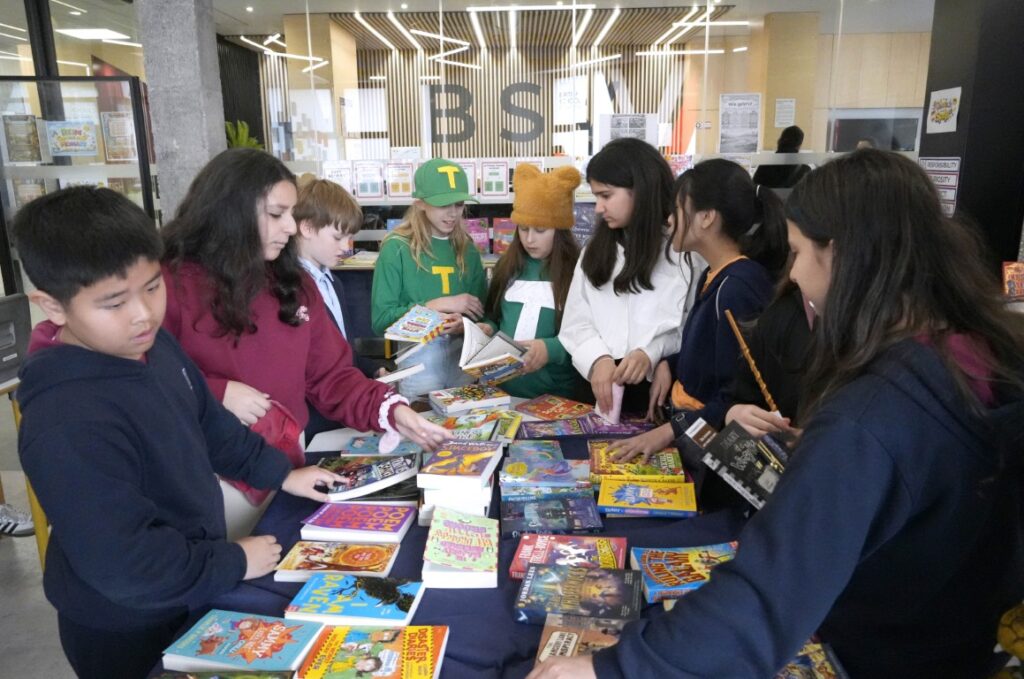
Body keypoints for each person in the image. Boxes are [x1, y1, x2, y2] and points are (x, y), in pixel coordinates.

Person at [528, 149, 1024, 678]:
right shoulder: (986, 354)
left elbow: (767, 596)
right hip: (955, 645)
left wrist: (612, 669)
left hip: (871, 652)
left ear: (839, 255)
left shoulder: (872, 415)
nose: (794, 276)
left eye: (797, 253)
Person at [13, 187, 347, 678]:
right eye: (113, 302)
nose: (143, 314)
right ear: (53, 306)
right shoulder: (66, 421)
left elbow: (212, 428)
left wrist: (282, 474)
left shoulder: (154, 348)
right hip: (124, 625)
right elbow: (127, 565)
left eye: (152, 287)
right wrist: (231, 562)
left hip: (190, 590)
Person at [161, 149, 447, 537]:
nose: (291, 228)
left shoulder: (294, 285)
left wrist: (390, 409)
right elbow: (135, 380)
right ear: (231, 211)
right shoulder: (169, 284)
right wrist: (213, 392)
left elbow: (332, 376)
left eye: (291, 215)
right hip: (205, 475)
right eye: (277, 214)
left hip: (287, 466)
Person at [609, 158, 789, 465]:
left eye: (677, 210)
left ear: (706, 218)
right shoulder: (713, 275)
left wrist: (666, 432)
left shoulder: (737, 288)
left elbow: (735, 395)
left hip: (710, 443)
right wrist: (668, 362)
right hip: (690, 427)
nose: (668, 220)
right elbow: (709, 357)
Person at [558, 138, 694, 415]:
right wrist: (598, 359)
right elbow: (575, 323)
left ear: (640, 189)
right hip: (598, 387)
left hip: (658, 392)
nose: (598, 208)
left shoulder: (682, 252)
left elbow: (688, 327)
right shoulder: (594, 252)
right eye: (596, 196)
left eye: (606, 196)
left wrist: (652, 353)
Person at [371, 158, 488, 397]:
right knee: (421, 427)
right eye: (443, 204)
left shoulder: (468, 249)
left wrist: (464, 326)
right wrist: (438, 305)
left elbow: (485, 316)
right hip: (417, 359)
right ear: (420, 204)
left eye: (458, 203)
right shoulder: (396, 249)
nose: (453, 213)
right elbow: (381, 320)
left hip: (463, 358)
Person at [480, 163, 586, 399]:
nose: (529, 239)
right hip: (504, 391)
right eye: (523, 228)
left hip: (557, 396)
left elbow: (590, 335)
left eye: (540, 230)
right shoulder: (506, 267)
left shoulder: (578, 273)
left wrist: (552, 349)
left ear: (559, 230)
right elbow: (496, 317)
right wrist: (488, 328)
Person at [291, 174, 381, 440]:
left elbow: (341, 348)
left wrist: (371, 368)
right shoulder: (289, 289)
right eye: (338, 237)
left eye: (350, 238)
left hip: (342, 413)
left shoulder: (334, 283)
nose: (346, 247)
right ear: (306, 228)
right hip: (311, 419)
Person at [752, 125, 812, 189]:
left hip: (769, 199)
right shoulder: (805, 170)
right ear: (799, 145)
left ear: (780, 140)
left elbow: (753, 189)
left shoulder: (765, 166)